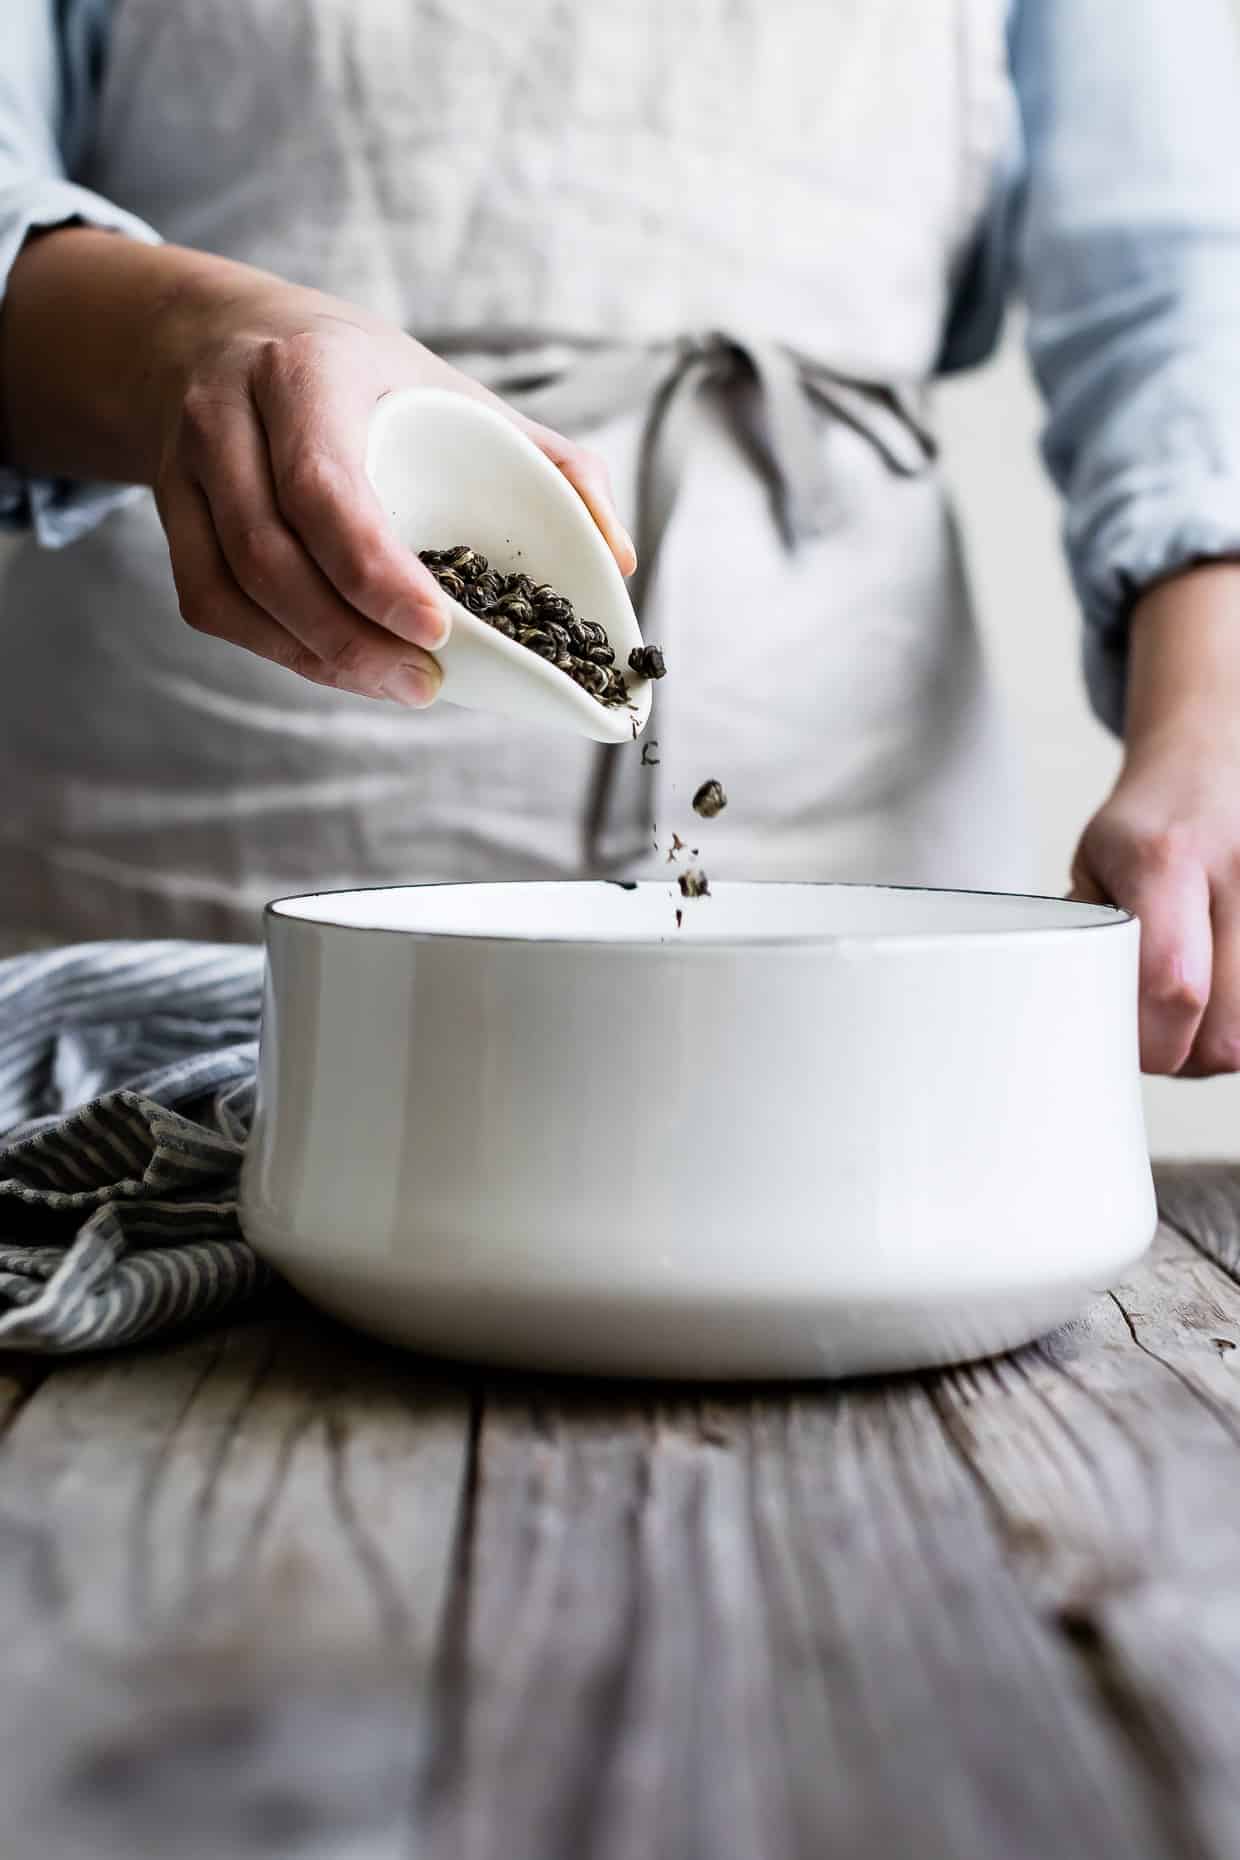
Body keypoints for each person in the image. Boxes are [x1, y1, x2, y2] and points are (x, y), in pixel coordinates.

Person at [1, 0, 1239, 1081]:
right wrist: (200, 341)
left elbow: (1176, 288)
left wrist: (1213, 720)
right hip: (196, 868)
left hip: (851, 839)